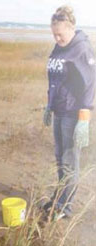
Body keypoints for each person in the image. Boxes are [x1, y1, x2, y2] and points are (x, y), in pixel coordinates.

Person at [43, 6, 96, 220]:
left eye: (60, 34)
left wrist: (84, 117)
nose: (57, 38)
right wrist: (49, 105)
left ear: (71, 28)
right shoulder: (59, 47)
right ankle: (59, 197)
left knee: (69, 161)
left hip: (73, 114)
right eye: (54, 34)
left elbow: (91, 84)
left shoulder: (81, 49)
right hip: (59, 111)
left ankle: (65, 208)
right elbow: (55, 79)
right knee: (59, 158)